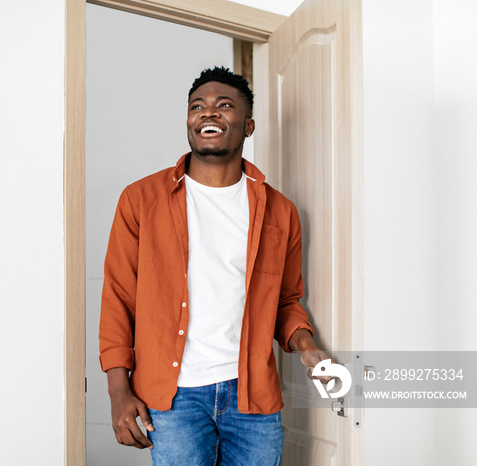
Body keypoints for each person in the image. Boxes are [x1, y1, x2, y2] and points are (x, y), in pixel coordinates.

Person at [98, 66, 330, 465]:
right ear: (188, 121)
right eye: (197, 107)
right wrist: (119, 390)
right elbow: (118, 298)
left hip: (253, 397)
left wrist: (308, 349)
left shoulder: (280, 211)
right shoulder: (140, 200)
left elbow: (286, 300)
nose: (208, 113)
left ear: (249, 125)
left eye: (224, 105)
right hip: (173, 400)